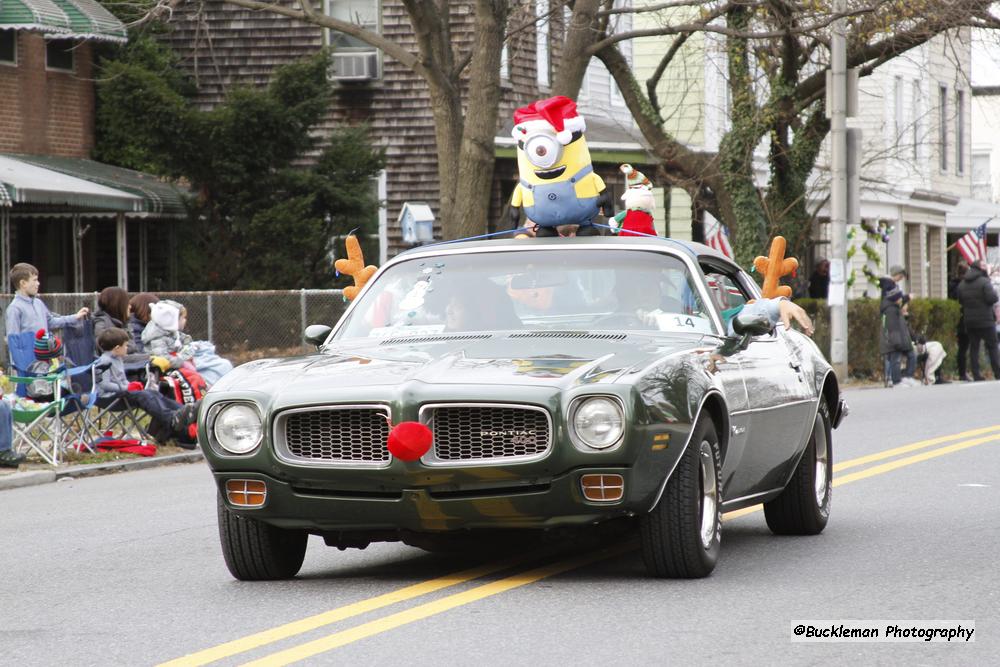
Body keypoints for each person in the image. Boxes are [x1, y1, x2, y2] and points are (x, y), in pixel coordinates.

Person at [96, 328, 196, 447]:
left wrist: (130, 386)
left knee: (153, 393)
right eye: (125, 346)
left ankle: (184, 411)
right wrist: (127, 387)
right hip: (109, 398)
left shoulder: (117, 359)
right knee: (145, 396)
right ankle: (171, 419)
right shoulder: (104, 362)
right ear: (117, 348)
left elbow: (121, 380)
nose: (127, 348)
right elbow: (104, 385)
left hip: (121, 394)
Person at [143, 300, 233, 384]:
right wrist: (182, 360)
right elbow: (163, 358)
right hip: (176, 367)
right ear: (171, 319)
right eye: (183, 318)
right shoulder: (158, 339)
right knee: (221, 366)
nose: (185, 320)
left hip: (183, 361)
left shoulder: (172, 333)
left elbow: (185, 340)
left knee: (220, 362)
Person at [5, 263, 88, 337]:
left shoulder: (38, 303)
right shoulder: (14, 308)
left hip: (44, 353)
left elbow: (51, 322)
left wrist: (75, 317)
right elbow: (13, 341)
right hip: (29, 354)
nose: (38, 283)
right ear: (23, 283)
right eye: (35, 280)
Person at [956, 258, 1000, 381]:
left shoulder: (962, 284)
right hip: (986, 319)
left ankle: (976, 374)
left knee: (974, 347)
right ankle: (997, 372)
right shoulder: (985, 282)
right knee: (992, 346)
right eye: (984, 265)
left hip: (969, 321)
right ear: (980, 268)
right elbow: (992, 298)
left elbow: (960, 301)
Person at [879, 276, 918, 387]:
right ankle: (896, 381)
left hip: (902, 338)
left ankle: (907, 377)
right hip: (894, 340)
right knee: (895, 360)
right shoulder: (890, 310)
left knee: (912, 355)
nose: (901, 299)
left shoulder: (895, 307)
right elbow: (892, 327)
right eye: (900, 298)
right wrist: (896, 342)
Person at [93, 287, 149, 364]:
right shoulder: (103, 325)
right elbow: (114, 357)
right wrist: (148, 358)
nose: (130, 307)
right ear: (118, 305)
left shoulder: (122, 324)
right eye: (127, 303)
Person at [948, 260, 971, 380]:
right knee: (964, 348)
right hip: (964, 320)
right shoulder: (962, 286)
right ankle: (963, 373)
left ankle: (963, 372)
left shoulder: (953, 284)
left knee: (963, 348)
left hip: (960, 320)